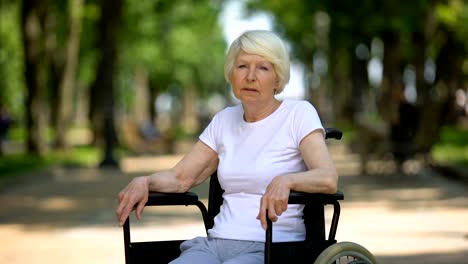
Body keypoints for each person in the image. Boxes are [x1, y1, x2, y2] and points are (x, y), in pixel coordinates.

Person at [115, 30, 338, 264]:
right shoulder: (223, 120)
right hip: (215, 244)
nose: (250, 76)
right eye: (242, 66)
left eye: (263, 67)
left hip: (273, 249)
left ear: (278, 78)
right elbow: (181, 178)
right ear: (231, 74)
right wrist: (146, 182)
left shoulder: (298, 114)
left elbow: (328, 178)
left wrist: (287, 180)